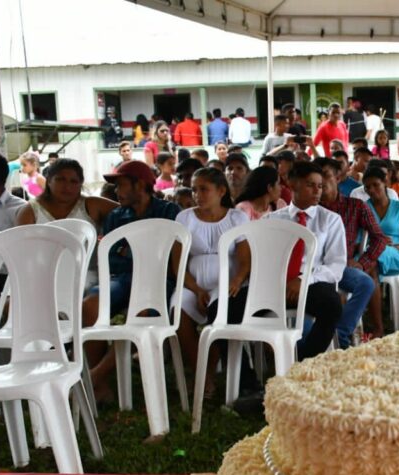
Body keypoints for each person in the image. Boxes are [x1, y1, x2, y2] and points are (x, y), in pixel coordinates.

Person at [82, 161, 181, 402]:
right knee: (89, 307)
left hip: (159, 281)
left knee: (144, 312)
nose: (117, 192)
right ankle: (101, 385)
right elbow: (112, 260)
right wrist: (144, 254)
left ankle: (96, 375)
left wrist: (130, 252)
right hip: (123, 279)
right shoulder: (116, 215)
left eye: (122, 185)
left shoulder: (170, 212)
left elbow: (170, 258)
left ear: (140, 185)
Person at [172, 167, 250, 398]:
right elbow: (178, 264)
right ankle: (202, 371)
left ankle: (206, 376)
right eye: (195, 190)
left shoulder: (237, 217)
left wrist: (236, 280)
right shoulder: (184, 218)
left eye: (204, 189)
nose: (197, 195)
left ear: (221, 191)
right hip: (192, 284)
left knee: (218, 311)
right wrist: (195, 289)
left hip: (228, 283)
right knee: (178, 310)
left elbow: (245, 259)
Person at [269, 162, 346, 359]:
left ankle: (305, 357)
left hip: (312, 282)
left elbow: (336, 265)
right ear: (292, 184)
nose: (317, 191)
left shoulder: (330, 219)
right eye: (310, 185)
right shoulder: (272, 220)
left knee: (332, 305)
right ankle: (248, 376)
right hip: (277, 284)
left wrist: (303, 279)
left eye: (320, 186)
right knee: (225, 307)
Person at [311, 158, 382, 349]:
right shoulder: (310, 209)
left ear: (339, 177)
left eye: (326, 175)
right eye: (316, 177)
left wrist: (362, 262)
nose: (321, 182)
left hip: (341, 266)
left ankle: (340, 333)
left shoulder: (355, 206)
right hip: (312, 269)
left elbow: (379, 237)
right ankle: (310, 341)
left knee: (365, 282)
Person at [362, 167, 399, 337]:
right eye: (367, 187)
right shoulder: (364, 208)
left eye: (375, 185)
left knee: (372, 261)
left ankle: (376, 327)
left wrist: (391, 247)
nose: (371, 190)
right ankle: (375, 326)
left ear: (385, 183)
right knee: (371, 264)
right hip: (369, 254)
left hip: (395, 254)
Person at [15, 158, 117, 229]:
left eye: (74, 181)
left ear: (80, 183)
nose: (67, 187)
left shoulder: (92, 206)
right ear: (49, 180)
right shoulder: (30, 211)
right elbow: (22, 250)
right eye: (60, 180)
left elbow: (129, 213)